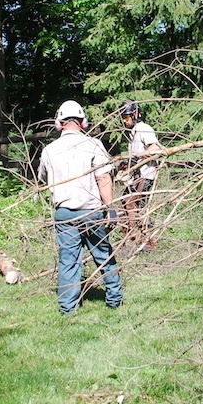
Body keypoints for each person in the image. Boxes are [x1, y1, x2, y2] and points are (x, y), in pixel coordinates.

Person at [38, 100, 124, 315]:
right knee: (103, 254)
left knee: (68, 260)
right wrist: (111, 210)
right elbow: (103, 177)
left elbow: (43, 179)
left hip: (64, 213)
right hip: (92, 211)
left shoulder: (49, 150)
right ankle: (114, 299)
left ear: (59, 122)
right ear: (82, 121)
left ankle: (68, 308)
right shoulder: (93, 145)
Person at [119, 100, 164, 250]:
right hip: (136, 176)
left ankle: (137, 240)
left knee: (131, 203)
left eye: (126, 117)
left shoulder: (143, 128)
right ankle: (142, 240)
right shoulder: (133, 132)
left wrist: (137, 157)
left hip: (145, 175)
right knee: (127, 204)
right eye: (123, 118)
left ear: (135, 114)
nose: (125, 121)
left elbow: (155, 149)